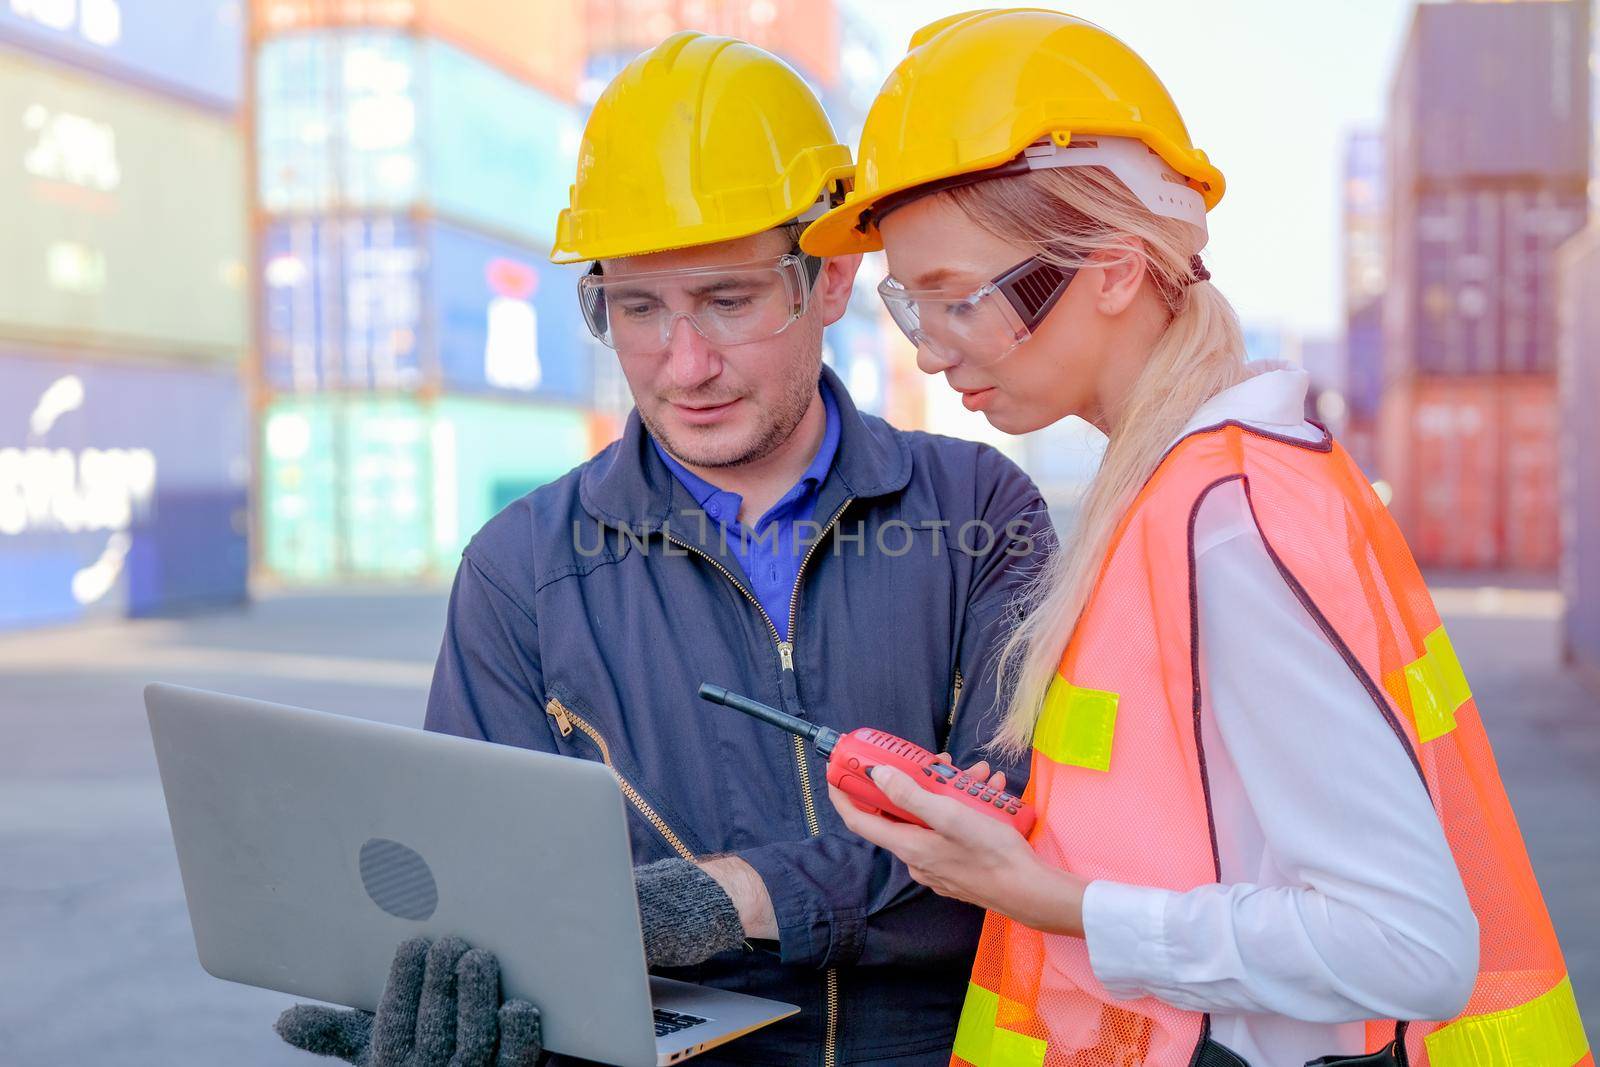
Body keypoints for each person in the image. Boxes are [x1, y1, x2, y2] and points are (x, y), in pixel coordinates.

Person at [802, 10, 1589, 1067]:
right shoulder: (1183, 488)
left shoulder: (1225, 523)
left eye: (958, 301)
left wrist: (1056, 898)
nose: (933, 351)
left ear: (1116, 270)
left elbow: (1410, 944)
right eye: (909, 307)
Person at [276, 30, 1050, 1067]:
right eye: (636, 308)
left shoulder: (977, 514)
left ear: (828, 279)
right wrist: (450, 1019)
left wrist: (726, 898)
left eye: (727, 300)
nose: (684, 364)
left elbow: (1025, 843)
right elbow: (483, 902)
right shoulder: (521, 570)